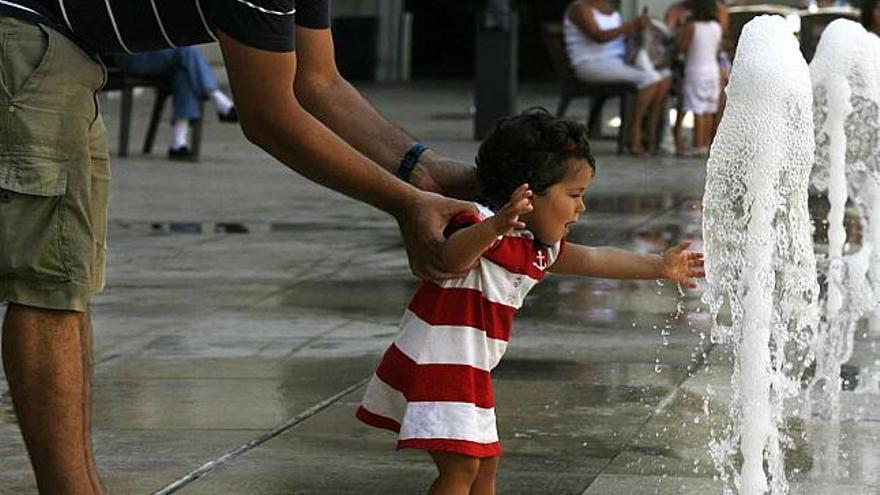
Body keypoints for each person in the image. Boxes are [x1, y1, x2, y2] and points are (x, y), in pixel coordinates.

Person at [0, 1, 479, 493]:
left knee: (67, 278)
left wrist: (421, 169)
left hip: (65, 48)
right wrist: (406, 203)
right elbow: (269, 116)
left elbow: (318, 82)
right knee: (49, 285)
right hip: (24, 31)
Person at [356, 109, 705, 495]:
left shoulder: (537, 248)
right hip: (438, 363)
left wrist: (658, 265)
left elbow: (593, 258)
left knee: (484, 464)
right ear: (525, 194)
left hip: (467, 369)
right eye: (574, 195)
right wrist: (495, 226)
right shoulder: (478, 221)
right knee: (461, 467)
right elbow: (451, 257)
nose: (581, 208)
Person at [564, 0, 673, 155]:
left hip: (618, 61)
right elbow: (598, 36)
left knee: (665, 77)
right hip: (592, 64)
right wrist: (630, 26)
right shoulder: (579, 8)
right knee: (650, 79)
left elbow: (621, 34)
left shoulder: (608, 7)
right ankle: (634, 132)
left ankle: (652, 133)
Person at [117, 47, 239, 160]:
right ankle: (218, 99)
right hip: (133, 55)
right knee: (187, 51)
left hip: (161, 56)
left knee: (185, 74)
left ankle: (178, 143)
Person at [677, 0, 722, 157]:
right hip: (712, 71)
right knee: (709, 110)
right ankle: (705, 145)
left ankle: (698, 145)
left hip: (695, 71)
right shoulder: (716, 27)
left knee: (698, 110)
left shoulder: (692, 26)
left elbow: (682, 47)